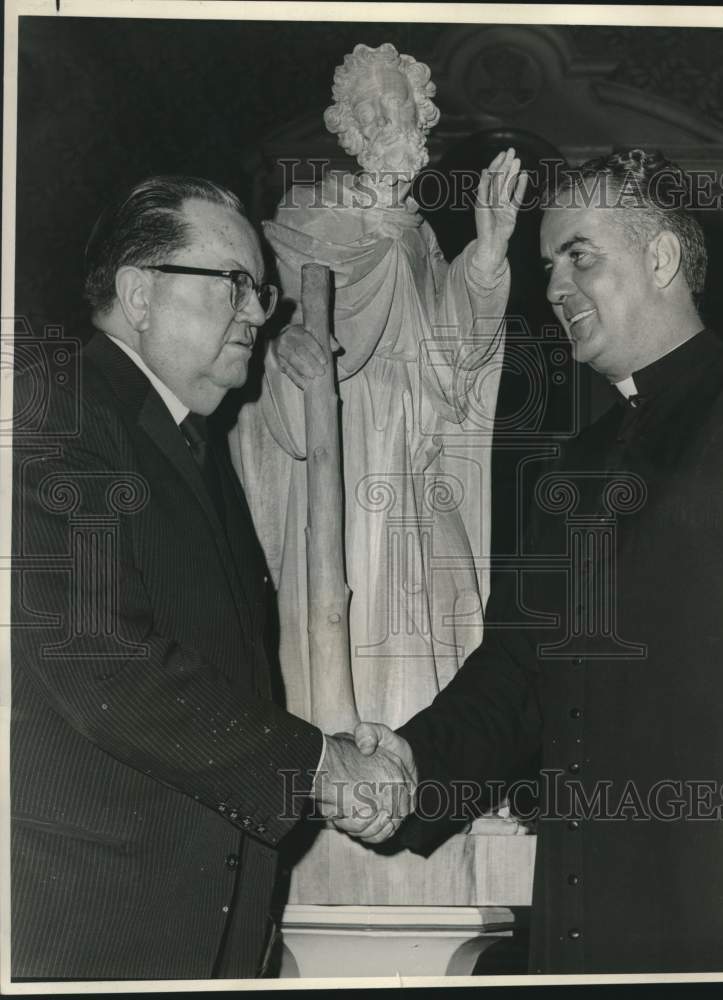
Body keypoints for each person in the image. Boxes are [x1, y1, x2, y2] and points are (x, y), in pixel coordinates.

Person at [340, 149, 723, 974]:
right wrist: (411, 763)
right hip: (586, 901)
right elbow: (516, 674)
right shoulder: (574, 463)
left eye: (579, 256)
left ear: (661, 258)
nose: (555, 288)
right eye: (546, 266)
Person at [10, 175, 412, 981]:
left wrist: (327, 751)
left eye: (260, 290)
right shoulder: (56, 408)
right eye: (232, 283)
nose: (259, 312)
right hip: (96, 925)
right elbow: (102, 662)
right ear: (139, 294)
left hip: (202, 921)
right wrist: (318, 766)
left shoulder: (192, 441)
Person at [232, 42, 525, 729]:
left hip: (420, 455)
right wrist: (287, 356)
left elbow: (455, 358)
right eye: (367, 112)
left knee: (439, 611)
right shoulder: (309, 217)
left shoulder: (421, 241)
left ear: (420, 118)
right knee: (357, 614)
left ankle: (429, 759)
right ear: (350, 131)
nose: (383, 121)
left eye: (394, 105)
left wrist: (487, 252)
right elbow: (268, 343)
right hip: (348, 443)